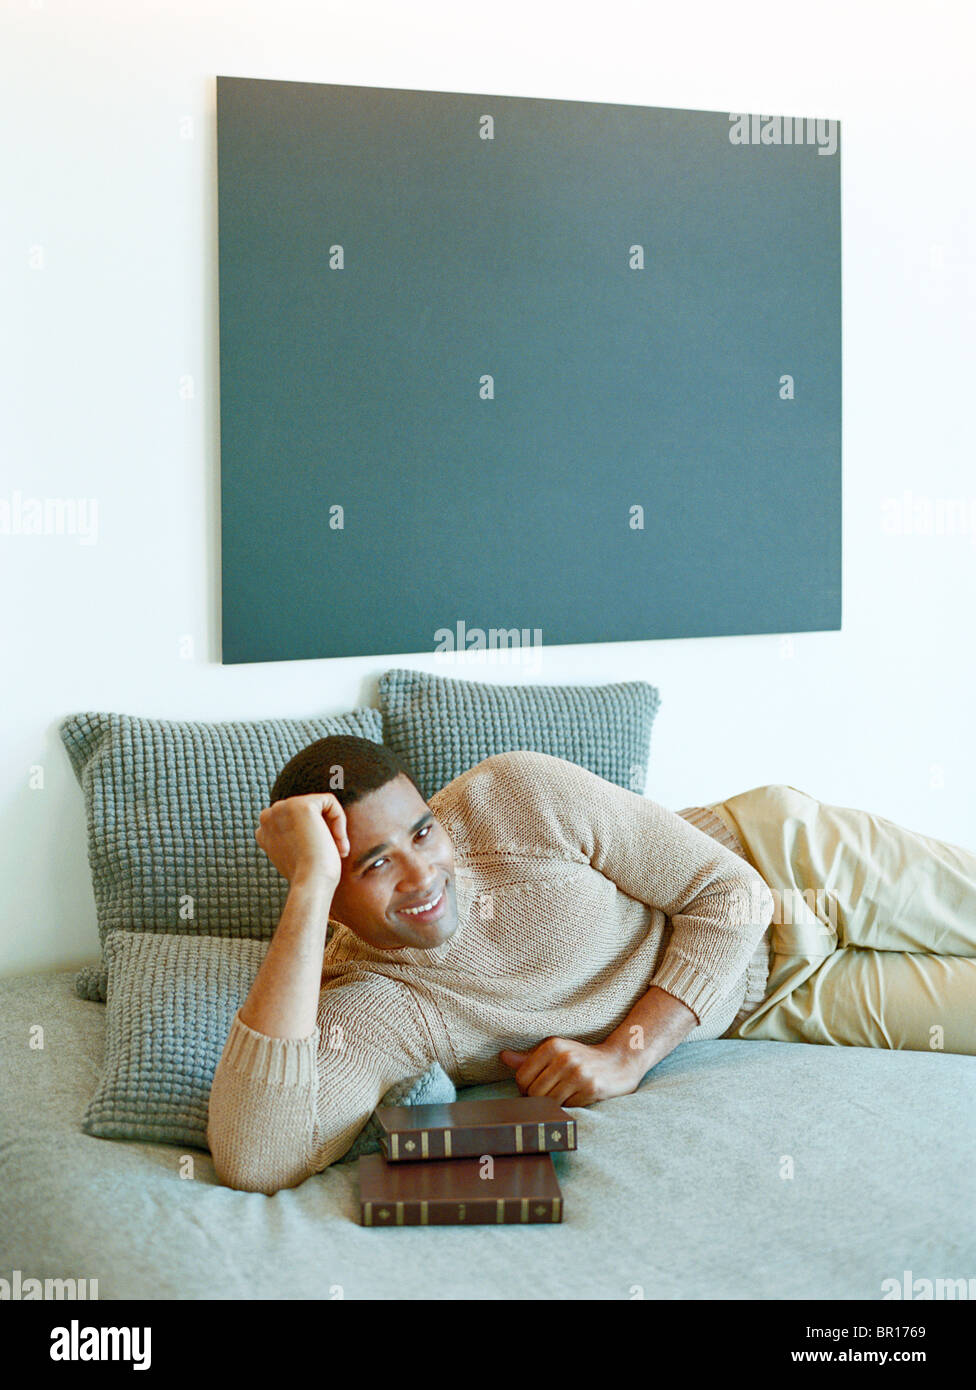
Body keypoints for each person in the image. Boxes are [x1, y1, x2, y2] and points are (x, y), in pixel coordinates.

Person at [207, 736, 976, 1194]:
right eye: (375, 865)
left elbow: (727, 893)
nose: (423, 876)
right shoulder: (374, 1004)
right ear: (328, 898)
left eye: (423, 832)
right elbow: (257, 1158)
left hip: (781, 860)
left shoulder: (515, 793)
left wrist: (625, 1054)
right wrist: (308, 884)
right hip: (761, 1003)